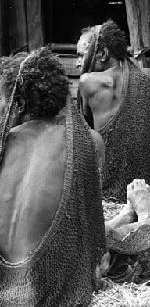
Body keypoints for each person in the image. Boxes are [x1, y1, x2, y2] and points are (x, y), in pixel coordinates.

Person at [0, 49, 106, 305]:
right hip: (45, 284)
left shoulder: (7, 139)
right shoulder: (85, 141)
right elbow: (93, 233)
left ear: (20, 102)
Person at [76, 20, 150, 202]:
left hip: (110, 186)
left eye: (81, 55)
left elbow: (85, 134)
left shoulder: (88, 82)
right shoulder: (148, 75)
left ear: (102, 54)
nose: (77, 63)